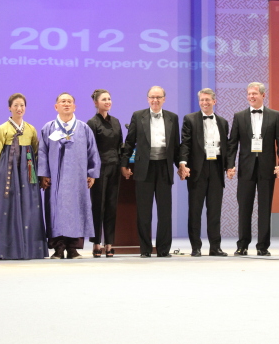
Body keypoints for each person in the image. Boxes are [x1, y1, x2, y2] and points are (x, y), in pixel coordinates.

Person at [226, 82, 279, 256]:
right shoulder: (239, 116)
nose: (251, 96)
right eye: (249, 94)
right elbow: (233, 144)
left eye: (254, 93)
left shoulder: (275, 116)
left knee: (264, 207)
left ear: (263, 95)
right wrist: (230, 165)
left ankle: (262, 246)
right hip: (246, 168)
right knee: (244, 207)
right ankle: (242, 245)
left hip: (267, 168)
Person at [38, 93, 101, 259]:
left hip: (77, 179)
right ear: (56, 106)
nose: (66, 104)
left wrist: (92, 173)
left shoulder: (83, 128)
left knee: (76, 209)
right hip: (55, 180)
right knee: (56, 211)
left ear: (75, 107)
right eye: (62, 101)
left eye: (69, 102)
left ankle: (73, 248)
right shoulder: (49, 128)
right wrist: (44, 174)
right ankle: (58, 248)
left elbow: (92, 152)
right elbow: (42, 152)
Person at [121, 86, 180, 258]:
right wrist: (124, 164)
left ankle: (163, 249)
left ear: (164, 99)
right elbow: (129, 142)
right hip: (143, 168)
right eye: (152, 97)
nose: (155, 100)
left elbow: (176, 146)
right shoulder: (138, 116)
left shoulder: (172, 118)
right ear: (147, 99)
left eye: (158, 97)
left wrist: (181, 165)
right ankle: (145, 249)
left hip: (164, 168)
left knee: (164, 211)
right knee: (144, 212)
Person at [0, 93, 48, 259]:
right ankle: (8, 249)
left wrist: (39, 175)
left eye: (22, 105)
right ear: (9, 108)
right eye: (15, 105)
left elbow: (36, 153)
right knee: (9, 207)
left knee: (30, 207)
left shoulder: (30, 129)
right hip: (9, 172)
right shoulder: (2, 129)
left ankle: (31, 249)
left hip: (28, 173)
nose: (19, 108)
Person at [178, 88, 229, 257]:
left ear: (214, 101)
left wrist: (229, 166)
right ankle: (196, 247)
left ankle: (215, 246)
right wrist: (183, 163)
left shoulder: (222, 122)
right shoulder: (190, 119)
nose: (204, 103)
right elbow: (185, 143)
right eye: (202, 100)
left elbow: (226, 147)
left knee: (214, 210)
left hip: (216, 168)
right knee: (195, 210)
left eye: (208, 100)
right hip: (197, 169)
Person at [87, 89, 123, 258]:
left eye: (109, 99)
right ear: (96, 103)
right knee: (98, 206)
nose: (108, 101)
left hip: (114, 167)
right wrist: (91, 171)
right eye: (104, 99)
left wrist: (123, 166)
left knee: (111, 206)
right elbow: (90, 149)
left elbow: (120, 146)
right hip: (99, 169)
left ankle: (109, 243)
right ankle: (96, 243)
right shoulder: (92, 123)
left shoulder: (116, 122)